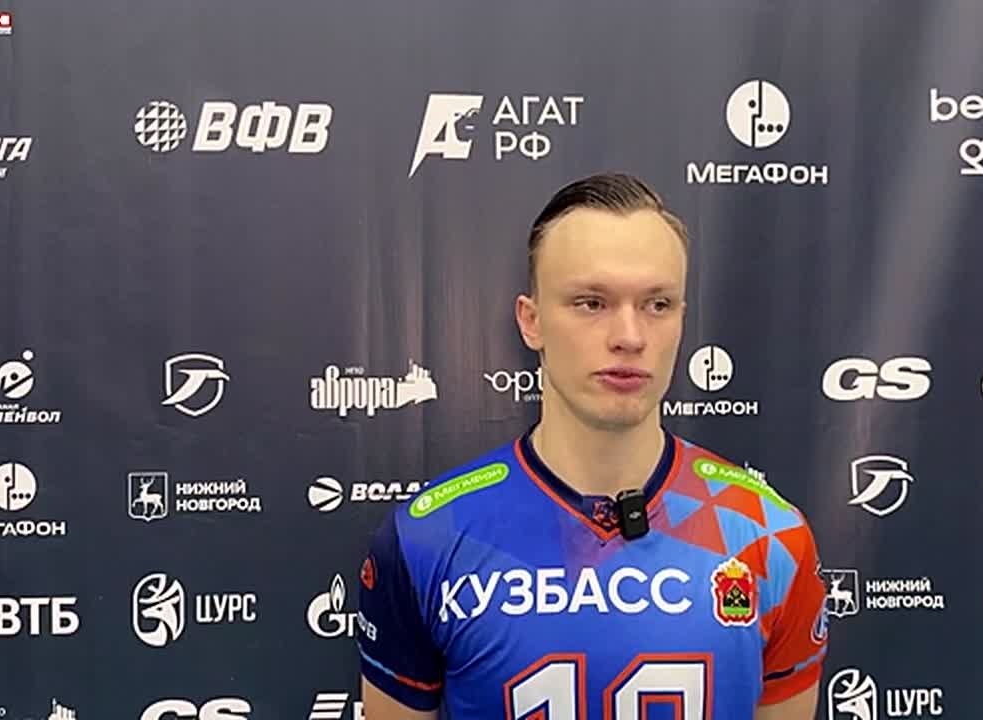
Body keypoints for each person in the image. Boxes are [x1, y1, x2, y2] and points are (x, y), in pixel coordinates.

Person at [355, 172, 829, 719]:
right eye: (590, 303)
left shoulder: (770, 535)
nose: (629, 336)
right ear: (531, 322)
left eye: (657, 304)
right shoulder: (427, 539)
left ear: (681, 318)